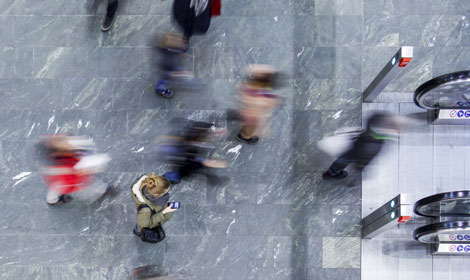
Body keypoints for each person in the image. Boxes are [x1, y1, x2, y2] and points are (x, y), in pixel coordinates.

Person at [322, 113, 400, 180]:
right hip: (358, 152)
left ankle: (331, 172)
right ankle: (331, 174)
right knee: (344, 160)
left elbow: (373, 118)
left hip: (356, 143)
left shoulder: (374, 125)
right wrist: (360, 167)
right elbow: (366, 156)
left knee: (344, 158)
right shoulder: (376, 143)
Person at [38, 135, 112, 205]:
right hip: (69, 178)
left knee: (55, 190)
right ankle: (103, 191)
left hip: (65, 176)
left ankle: (55, 199)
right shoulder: (62, 167)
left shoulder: (62, 152)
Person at [158, 120, 228, 184]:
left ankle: (171, 177)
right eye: (209, 135)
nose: (210, 137)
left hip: (180, 151)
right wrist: (212, 163)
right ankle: (168, 178)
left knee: (193, 167)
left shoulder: (194, 136)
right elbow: (198, 160)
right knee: (187, 169)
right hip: (182, 157)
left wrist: (217, 131)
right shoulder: (191, 146)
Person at [236, 64, 282, 144]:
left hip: (251, 110)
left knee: (251, 123)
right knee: (251, 125)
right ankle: (244, 136)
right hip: (252, 114)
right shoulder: (254, 89)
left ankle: (244, 133)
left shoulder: (257, 86)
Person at [131, 173, 178, 242]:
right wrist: (164, 212)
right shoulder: (145, 210)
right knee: (141, 224)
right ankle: (137, 231)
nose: (167, 193)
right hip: (146, 219)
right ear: (156, 195)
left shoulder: (151, 182)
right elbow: (145, 223)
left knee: (143, 218)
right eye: (165, 192)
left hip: (148, 212)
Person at [155, 33, 195, 98]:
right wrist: (184, 74)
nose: (176, 42)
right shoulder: (166, 59)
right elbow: (172, 73)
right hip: (167, 71)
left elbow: (176, 51)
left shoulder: (169, 48)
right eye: (172, 41)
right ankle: (160, 90)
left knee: (181, 70)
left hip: (172, 67)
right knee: (163, 82)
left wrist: (183, 54)